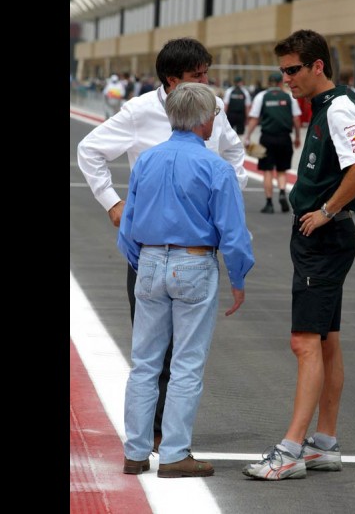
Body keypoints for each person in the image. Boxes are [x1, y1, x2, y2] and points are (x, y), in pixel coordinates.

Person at [77, 37, 247, 456]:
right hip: (164, 251)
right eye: (197, 77)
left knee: (159, 355)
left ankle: (146, 444)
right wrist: (112, 204)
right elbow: (90, 150)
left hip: (166, 248)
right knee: (165, 353)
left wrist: (223, 196)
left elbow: (235, 155)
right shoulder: (139, 112)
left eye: (207, 75)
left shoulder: (214, 109)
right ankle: (164, 442)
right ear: (172, 81)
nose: (207, 84)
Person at [242, 29, 355, 481]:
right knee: (326, 342)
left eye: (293, 70)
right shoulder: (322, 108)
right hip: (321, 237)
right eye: (282, 71)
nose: (286, 79)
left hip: (324, 237)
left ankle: (290, 450)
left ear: (318, 65)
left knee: (303, 343)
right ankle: (325, 442)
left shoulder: (338, 108)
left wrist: (325, 210)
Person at [117, 82, 255, 478]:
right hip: (193, 263)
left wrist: (142, 260)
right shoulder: (216, 167)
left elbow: (127, 225)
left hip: (148, 259)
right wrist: (239, 277)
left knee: (144, 362)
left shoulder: (147, 160)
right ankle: (175, 452)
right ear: (203, 120)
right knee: (186, 363)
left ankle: (136, 451)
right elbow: (233, 231)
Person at [242, 72, 301, 214]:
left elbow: (254, 119)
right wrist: (297, 137)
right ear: (281, 83)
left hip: (267, 138)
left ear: (269, 83)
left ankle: (269, 203)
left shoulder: (261, 97)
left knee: (267, 170)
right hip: (284, 137)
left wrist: (247, 136)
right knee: (281, 170)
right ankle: (281, 192)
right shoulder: (289, 97)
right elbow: (296, 119)